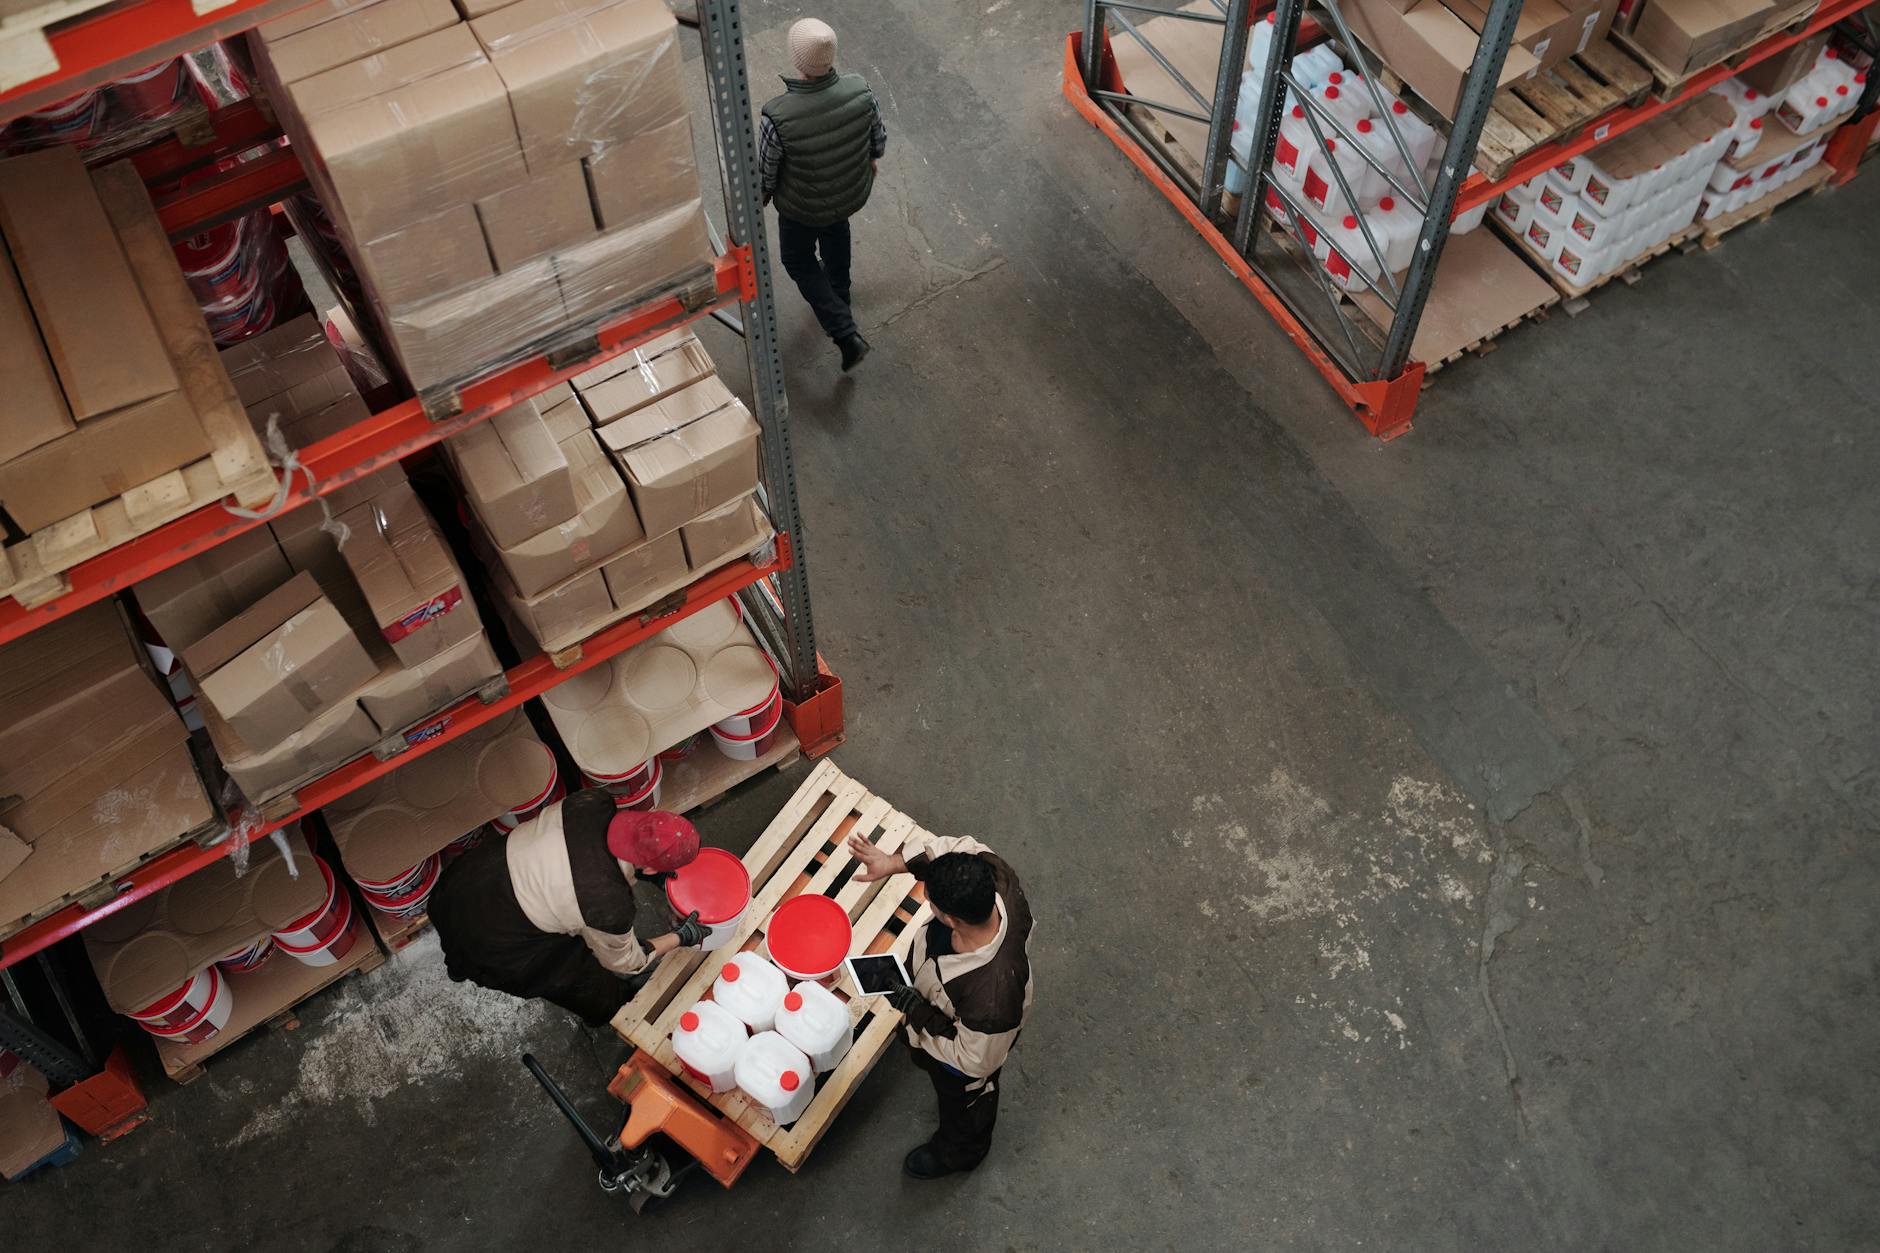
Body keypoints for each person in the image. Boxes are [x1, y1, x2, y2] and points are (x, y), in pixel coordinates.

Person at [431, 789, 711, 1027]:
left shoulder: (592, 802)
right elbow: (627, 962)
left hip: (462, 883)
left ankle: (458, 965)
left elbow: (589, 850)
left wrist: (650, 869)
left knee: (459, 941)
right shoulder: (607, 905)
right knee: (584, 982)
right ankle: (611, 1009)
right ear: (649, 868)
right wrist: (680, 937)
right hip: (499, 944)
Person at [847, 828, 1035, 1179]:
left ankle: (961, 1152)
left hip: (963, 1059)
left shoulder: (993, 1002)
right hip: (941, 992)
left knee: (963, 1102)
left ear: (951, 919)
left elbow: (974, 1060)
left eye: (930, 901)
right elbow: (961, 848)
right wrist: (892, 863)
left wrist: (916, 1009)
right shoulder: (993, 876)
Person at [759, 17, 887, 373]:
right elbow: (878, 142)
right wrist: (865, 162)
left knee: (798, 259)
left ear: (796, 59)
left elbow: (767, 172)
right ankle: (839, 295)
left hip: (801, 207)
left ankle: (845, 334)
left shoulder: (778, 116)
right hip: (847, 192)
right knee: (835, 230)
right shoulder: (860, 90)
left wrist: (763, 195)